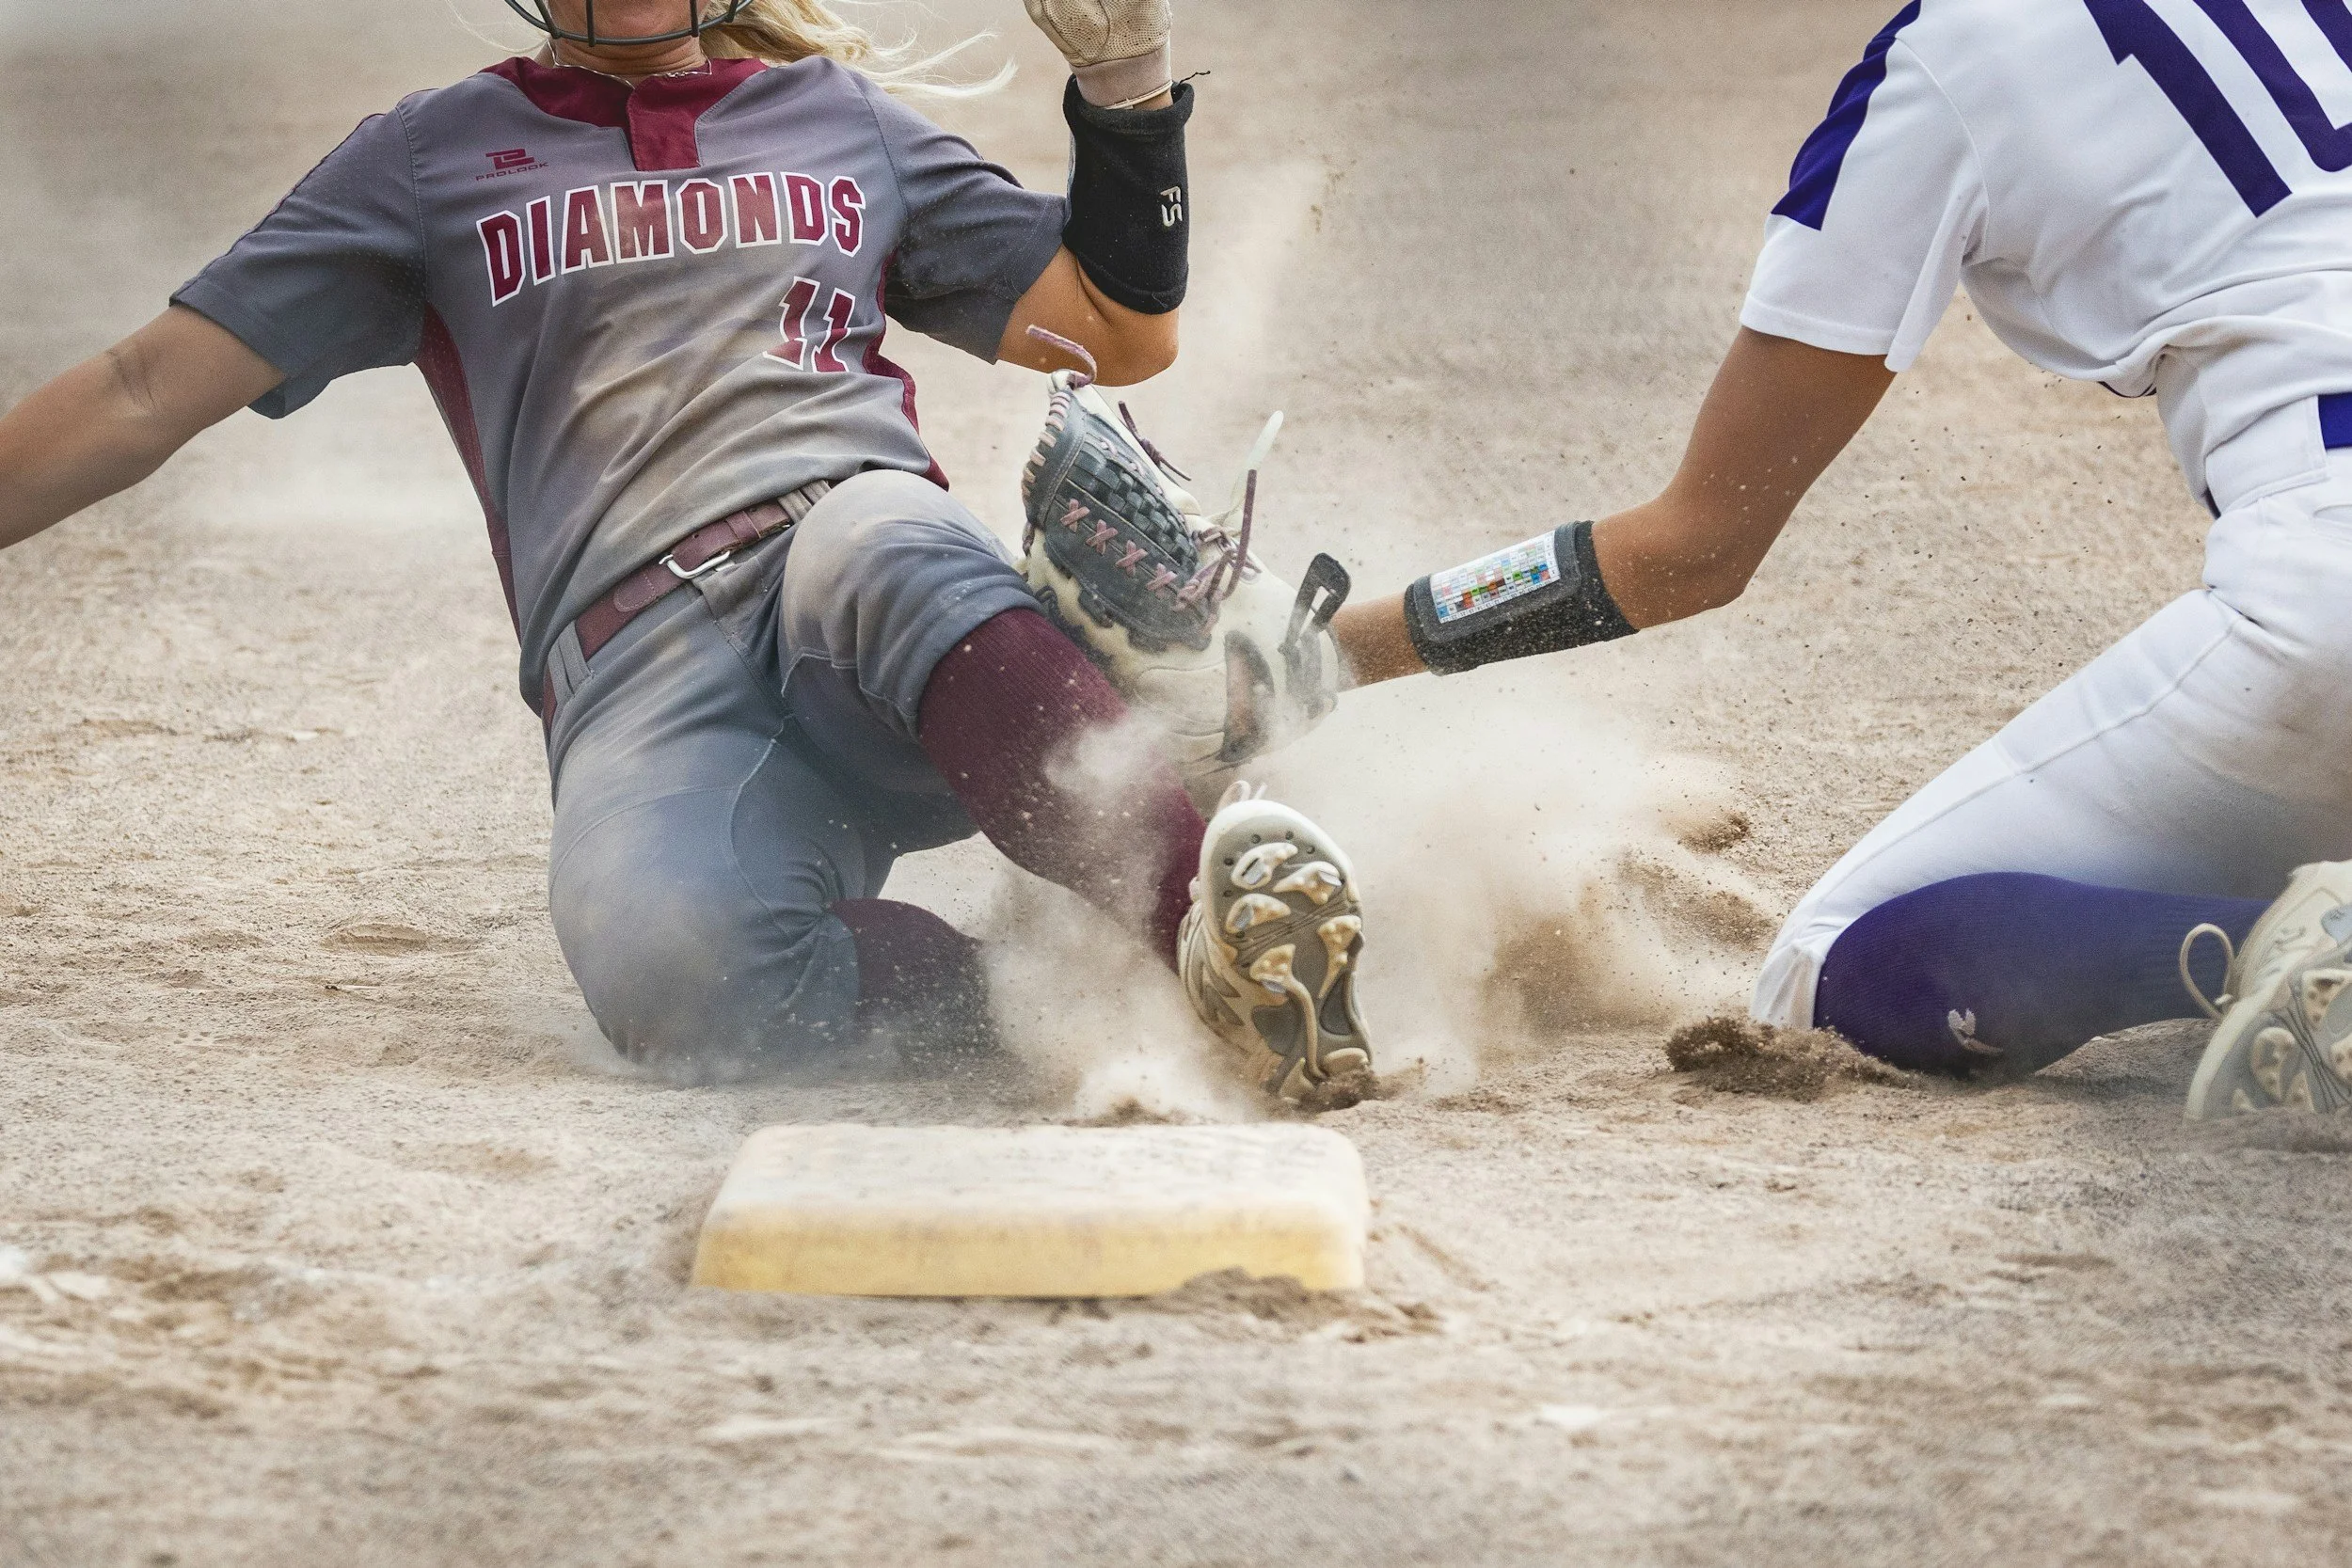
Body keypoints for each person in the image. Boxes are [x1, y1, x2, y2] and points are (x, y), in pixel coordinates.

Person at [0, 0, 1374, 1102]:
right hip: (638, 677)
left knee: (886, 533)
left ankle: (1203, 924)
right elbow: (140, 388)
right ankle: (1062, 992)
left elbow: (1118, 332)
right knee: (677, 973)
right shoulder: (429, 157)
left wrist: (1126, 89)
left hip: (856, 583)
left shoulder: (834, 122)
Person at [1315, 0, 2352, 1116]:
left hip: (2321, 591)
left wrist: (1331, 653)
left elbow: (1696, 545)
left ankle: (2257, 950)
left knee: (1823, 967)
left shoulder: (1947, 55)